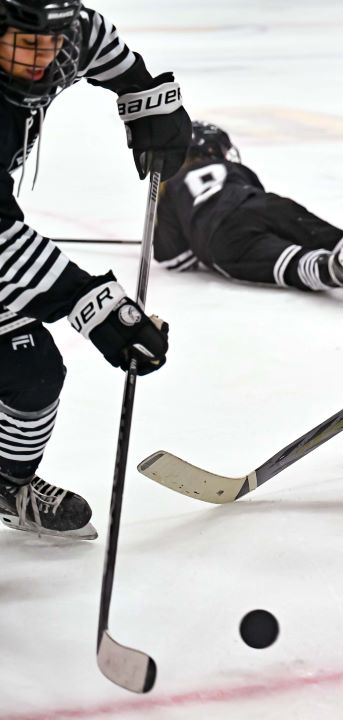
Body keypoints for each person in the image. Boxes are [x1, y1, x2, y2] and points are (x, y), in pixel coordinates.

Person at [0, 0, 189, 539]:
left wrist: (145, 96)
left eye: (50, 44)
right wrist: (90, 303)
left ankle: (6, 482)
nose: (41, 61)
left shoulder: (64, 33)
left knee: (33, 373)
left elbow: (97, 42)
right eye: (23, 44)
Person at [153, 122, 343, 308]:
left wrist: (188, 232)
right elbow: (251, 199)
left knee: (287, 262)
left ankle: (329, 269)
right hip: (266, 204)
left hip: (220, 233)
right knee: (332, 238)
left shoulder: (172, 186)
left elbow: (175, 260)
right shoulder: (232, 167)